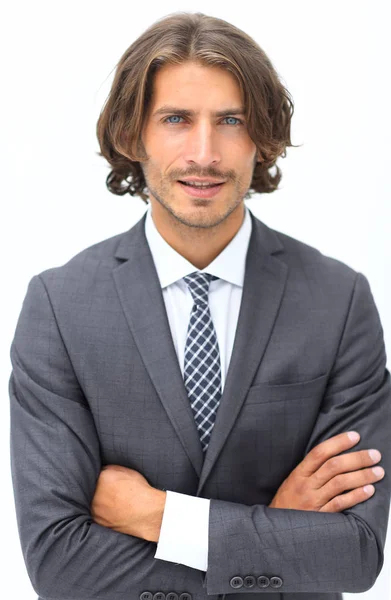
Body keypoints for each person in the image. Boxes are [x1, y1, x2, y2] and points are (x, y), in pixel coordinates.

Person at [9, 11, 391, 600]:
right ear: (132, 135)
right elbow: (59, 564)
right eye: (177, 120)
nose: (205, 152)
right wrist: (277, 526)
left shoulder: (339, 302)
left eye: (231, 120)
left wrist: (157, 516)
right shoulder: (59, 307)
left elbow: (355, 555)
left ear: (262, 136)